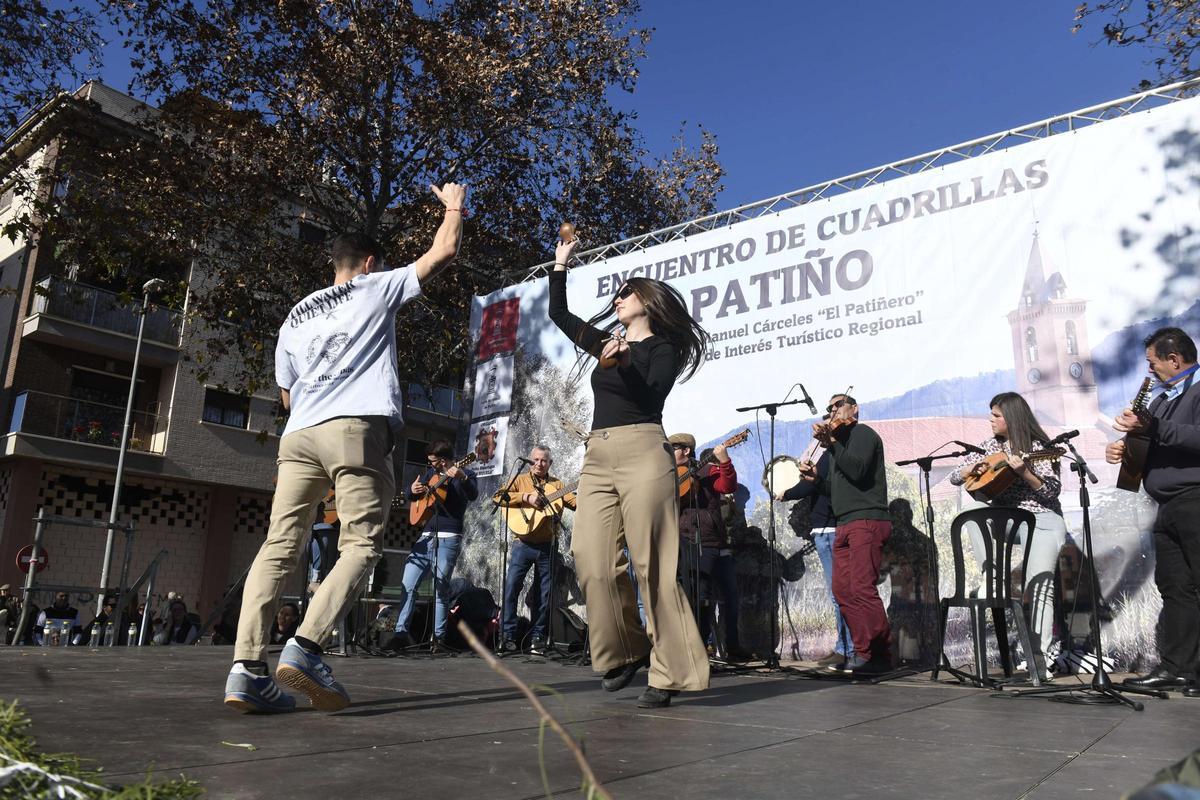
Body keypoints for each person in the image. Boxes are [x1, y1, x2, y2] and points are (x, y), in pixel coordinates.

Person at [222, 181, 467, 714]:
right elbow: (444, 251)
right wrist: (452, 206)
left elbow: (286, 395)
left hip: (299, 435)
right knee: (359, 543)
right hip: (355, 429)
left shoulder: (295, 316)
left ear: (333, 262)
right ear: (370, 262)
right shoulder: (374, 288)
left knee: (278, 546)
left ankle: (245, 670)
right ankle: (306, 647)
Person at [546, 235, 711, 709]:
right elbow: (561, 316)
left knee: (651, 566)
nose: (616, 299)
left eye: (625, 292)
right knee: (590, 558)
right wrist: (560, 265)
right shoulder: (605, 341)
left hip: (644, 449)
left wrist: (626, 361)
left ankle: (670, 673)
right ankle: (625, 649)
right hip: (597, 455)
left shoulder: (661, 347)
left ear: (647, 302)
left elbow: (653, 390)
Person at [1106, 327, 1200, 696]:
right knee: (1176, 588)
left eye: (1153, 363)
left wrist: (1154, 426)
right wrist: (1123, 450)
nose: (1150, 372)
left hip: (1195, 499)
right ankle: (1180, 669)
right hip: (1167, 506)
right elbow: (1147, 443)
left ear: (1174, 360)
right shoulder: (1160, 401)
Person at [948, 392, 1066, 681]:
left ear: (1012, 418)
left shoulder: (1041, 447)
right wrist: (968, 469)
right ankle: (993, 576)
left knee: (1039, 586)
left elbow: (1051, 491)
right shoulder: (990, 447)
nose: (991, 420)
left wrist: (1025, 472)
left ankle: (1037, 659)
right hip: (1005, 522)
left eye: (996, 415)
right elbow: (954, 477)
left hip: (1041, 521)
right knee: (972, 510)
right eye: (990, 414)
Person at [794, 394, 892, 675]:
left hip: (867, 519)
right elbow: (838, 489)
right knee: (843, 590)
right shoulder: (837, 447)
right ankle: (863, 653)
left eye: (838, 405)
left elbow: (859, 470)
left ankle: (881, 655)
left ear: (855, 408)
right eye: (830, 408)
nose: (833, 410)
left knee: (861, 588)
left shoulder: (862, 433)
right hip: (845, 522)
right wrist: (818, 482)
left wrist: (833, 444)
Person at [383, 440, 479, 652]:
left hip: (449, 537)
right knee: (408, 583)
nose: (430, 465)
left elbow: (473, 494)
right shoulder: (429, 475)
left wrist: (462, 478)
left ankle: (439, 639)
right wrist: (412, 489)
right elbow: (411, 497)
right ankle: (400, 635)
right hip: (425, 537)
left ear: (443, 461)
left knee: (440, 587)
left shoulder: (466, 473)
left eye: (433, 462)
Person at [493, 445, 576, 655]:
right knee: (512, 588)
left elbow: (575, 502)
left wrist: (590, 492)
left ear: (550, 463)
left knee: (544, 594)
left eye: (544, 460)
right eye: (536, 460)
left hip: (548, 546)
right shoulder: (520, 480)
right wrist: (526, 498)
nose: (540, 464)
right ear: (531, 461)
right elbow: (498, 497)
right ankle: (508, 636)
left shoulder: (557, 484)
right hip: (522, 544)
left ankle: (537, 637)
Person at [672, 435, 749, 662]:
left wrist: (724, 461)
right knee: (696, 597)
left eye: (673, 448)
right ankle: (696, 647)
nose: (669, 452)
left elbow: (727, 485)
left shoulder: (706, 471)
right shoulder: (667, 476)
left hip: (708, 541)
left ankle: (726, 646)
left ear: (686, 451)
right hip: (683, 541)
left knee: (719, 597)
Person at [776, 448, 854, 667]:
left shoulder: (834, 453)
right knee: (839, 593)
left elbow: (811, 484)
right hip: (827, 530)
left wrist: (786, 493)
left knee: (839, 594)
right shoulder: (834, 453)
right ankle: (845, 647)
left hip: (829, 531)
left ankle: (846, 649)